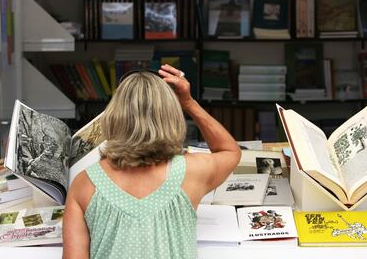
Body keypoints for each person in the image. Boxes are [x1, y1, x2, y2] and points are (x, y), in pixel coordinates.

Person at [63, 64, 241, 259]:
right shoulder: (193, 171)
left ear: (113, 116)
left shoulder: (84, 184)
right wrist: (189, 102)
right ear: (171, 116)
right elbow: (229, 151)